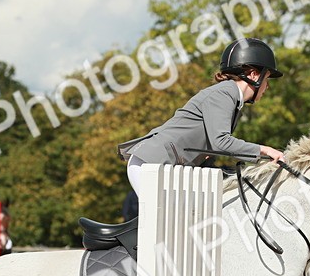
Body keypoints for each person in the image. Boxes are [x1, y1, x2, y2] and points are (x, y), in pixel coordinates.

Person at [117, 37, 284, 193]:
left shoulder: (232, 99)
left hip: (168, 167)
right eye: (266, 79)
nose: (267, 86)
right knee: (168, 220)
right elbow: (221, 143)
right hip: (151, 164)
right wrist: (264, 150)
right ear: (254, 75)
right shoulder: (225, 93)